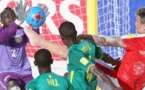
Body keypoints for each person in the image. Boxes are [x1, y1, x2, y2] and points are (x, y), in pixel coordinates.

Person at [23, 21, 122, 90]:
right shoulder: (89, 43)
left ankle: (38, 41)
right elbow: (104, 56)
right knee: (66, 75)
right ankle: (38, 41)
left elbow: (94, 69)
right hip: (91, 86)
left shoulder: (73, 54)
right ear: (75, 32)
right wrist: (115, 62)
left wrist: (112, 86)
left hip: (78, 88)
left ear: (62, 39)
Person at [77, 7, 145, 90]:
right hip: (135, 87)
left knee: (78, 56)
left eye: (137, 21)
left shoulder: (138, 40)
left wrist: (84, 36)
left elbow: (106, 41)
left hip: (118, 82)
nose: (135, 24)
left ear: (144, 27)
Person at [0, 0, 49, 90]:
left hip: (25, 72)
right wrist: (17, 22)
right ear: (1, 20)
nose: (10, 17)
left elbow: (34, 40)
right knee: (13, 87)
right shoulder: (1, 32)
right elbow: (5, 35)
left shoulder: (21, 30)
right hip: (7, 73)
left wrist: (36, 25)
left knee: (33, 88)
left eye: (12, 15)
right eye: (7, 16)